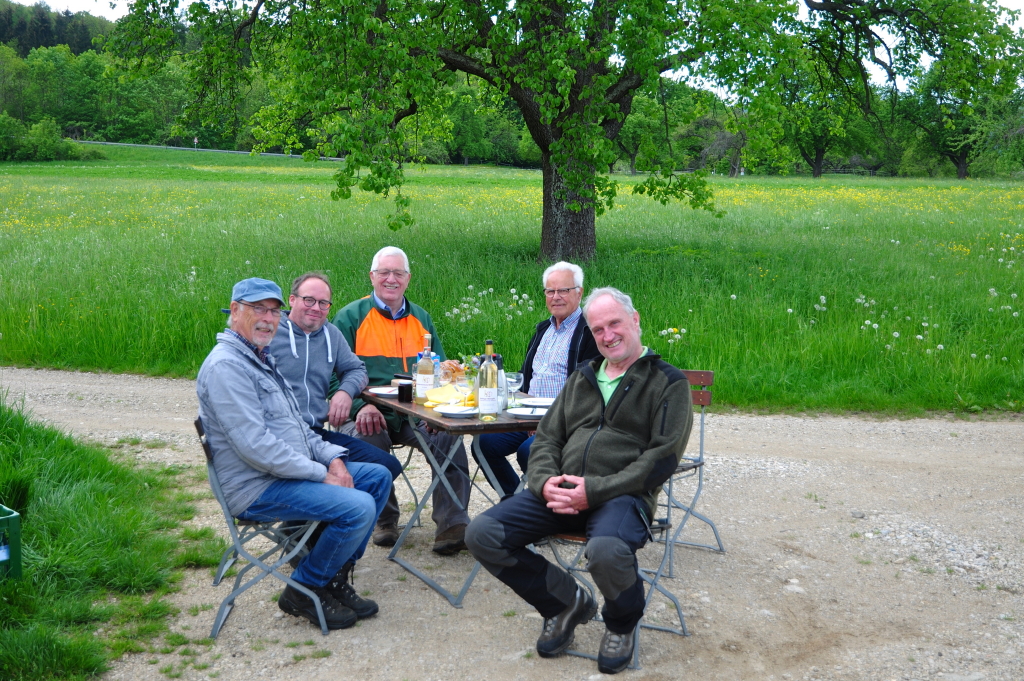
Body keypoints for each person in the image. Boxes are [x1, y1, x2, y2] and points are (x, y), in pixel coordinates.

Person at [465, 287, 693, 674]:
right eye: (598, 328)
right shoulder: (582, 378)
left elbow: (663, 457)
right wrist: (542, 482)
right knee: (482, 533)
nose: (607, 335)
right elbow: (548, 438)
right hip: (562, 490)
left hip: (622, 496)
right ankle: (564, 601)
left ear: (635, 320)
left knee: (606, 550)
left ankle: (621, 624)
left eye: (615, 324)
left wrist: (596, 490)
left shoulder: (667, 382)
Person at [196, 277, 392, 631]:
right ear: (235, 311)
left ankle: (333, 577)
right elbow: (256, 447)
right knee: (358, 505)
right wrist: (322, 474)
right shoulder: (227, 366)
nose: (268, 319)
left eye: (273, 312)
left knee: (377, 476)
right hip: (257, 487)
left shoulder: (259, 357)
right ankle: (305, 587)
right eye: (258, 309)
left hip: (283, 471)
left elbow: (301, 429)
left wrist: (332, 458)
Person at [332, 247, 471, 555]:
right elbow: (329, 378)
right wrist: (359, 406)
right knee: (368, 436)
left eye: (398, 273)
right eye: (384, 272)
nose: (391, 279)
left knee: (449, 437)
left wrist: (436, 412)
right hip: (370, 413)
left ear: (408, 279)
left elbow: (442, 372)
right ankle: (384, 519)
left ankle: (452, 525)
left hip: (415, 414)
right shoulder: (350, 318)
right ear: (372, 277)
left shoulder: (421, 318)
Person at [268, 272, 404, 496]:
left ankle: (309, 524)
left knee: (387, 466)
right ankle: (310, 521)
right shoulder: (270, 334)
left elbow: (357, 369)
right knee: (336, 476)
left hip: (316, 432)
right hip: (282, 435)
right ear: (292, 300)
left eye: (323, 303)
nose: (316, 308)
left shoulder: (331, 334)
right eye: (308, 300)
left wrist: (345, 392)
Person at [473, 261, 600, 496]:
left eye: (564, 290)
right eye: (550, 291)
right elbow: (525, 377)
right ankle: (514, 500)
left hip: (564, 421)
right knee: (484, 444)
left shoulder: (589, 332)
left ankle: (544, 507)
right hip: (528, 416)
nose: (556, 297)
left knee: (530, 451)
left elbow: (586, 389)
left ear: (579, 293)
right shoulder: (544, 330)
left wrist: (549, 420)